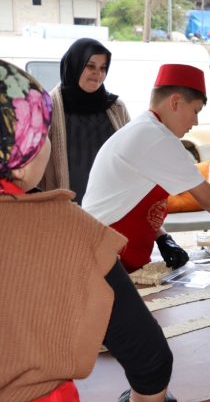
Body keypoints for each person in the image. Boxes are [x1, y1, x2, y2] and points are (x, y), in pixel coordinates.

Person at [0, 60, 174, 402]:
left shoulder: (116, 109)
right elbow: (151, 360)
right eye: (43, 134)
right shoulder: (65, 228)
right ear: (21, 149)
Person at [82, 64, 210, 274]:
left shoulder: (145, 129)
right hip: (104, 254)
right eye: (195, 111)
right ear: (175, 102)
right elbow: (208, 198)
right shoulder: (156, 137)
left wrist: (162, 237)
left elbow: (128, 198)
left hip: (116, 253)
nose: (196, 121)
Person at [40, 38, 131, 204]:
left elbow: (131, 155)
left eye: (103, 68)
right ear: (74, 65)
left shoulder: (117, 108)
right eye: (90, 66)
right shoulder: (46, 108)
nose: (98, 73)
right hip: (64, 209)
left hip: (110, 207)